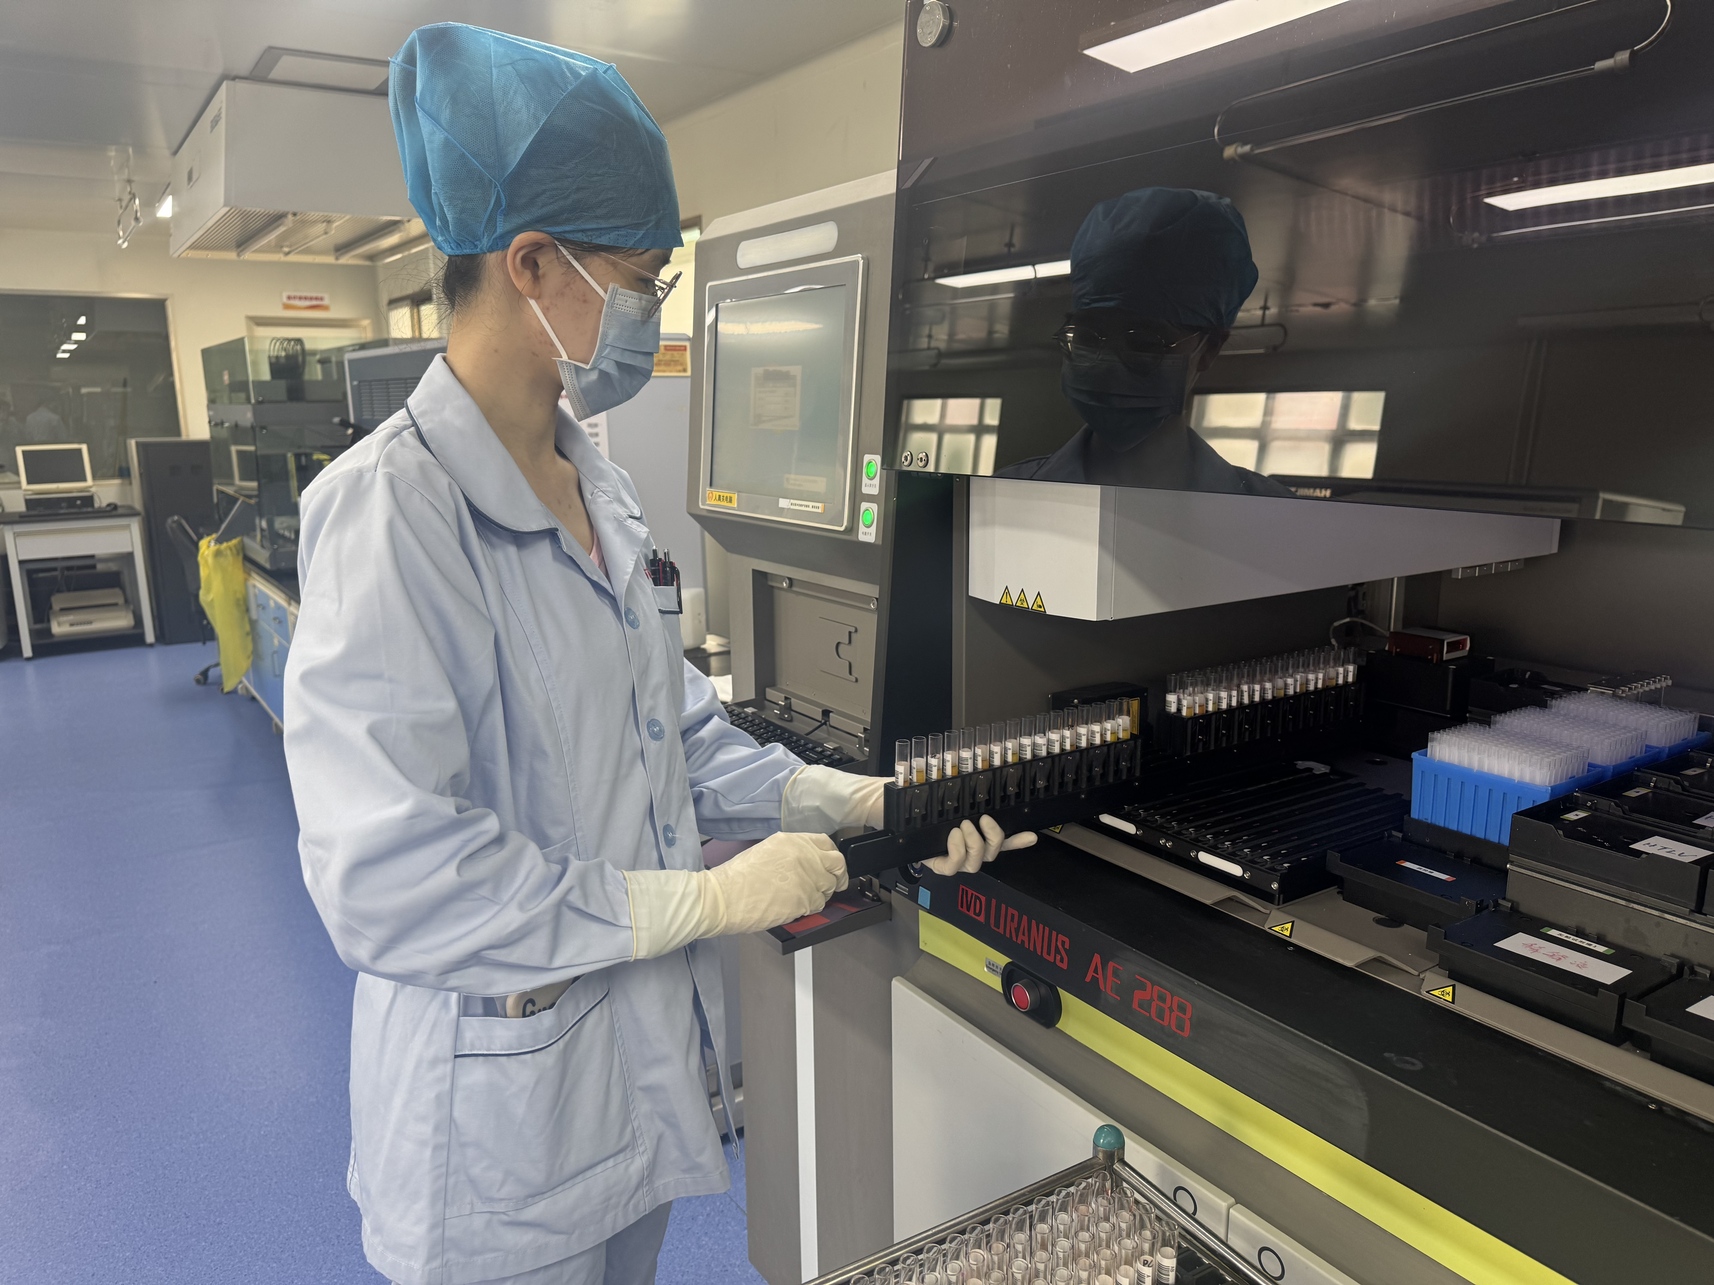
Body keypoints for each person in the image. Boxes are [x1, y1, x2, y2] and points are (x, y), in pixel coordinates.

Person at [282, 24, 1031, 1285]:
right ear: (531, 264)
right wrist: (704, 900)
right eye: (640, 280)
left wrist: (848, 799)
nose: (652, 314)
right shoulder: (390, 515)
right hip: (497, 1137)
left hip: (625, 1093)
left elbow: (671, 736)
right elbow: (391, 878)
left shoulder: (600, 485)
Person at [1001, 187, 1295, 496]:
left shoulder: (1271, 511)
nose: (1108, 367)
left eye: (1144, 342)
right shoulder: (1007, 493)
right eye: (1088, 337)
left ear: (1209, 348)